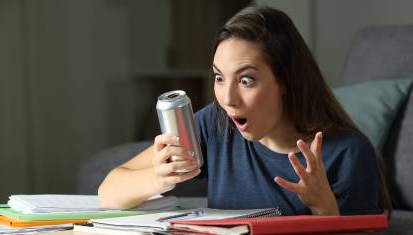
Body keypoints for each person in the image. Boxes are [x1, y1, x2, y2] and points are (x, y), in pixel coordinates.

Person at [98, 5, 390, 216]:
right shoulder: (216, 124)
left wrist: (323, 207)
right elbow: (108, 192)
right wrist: (161, 178)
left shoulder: (347, 153)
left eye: (246, 80)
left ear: (285, 81)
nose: (228, 98)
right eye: (219, 77)